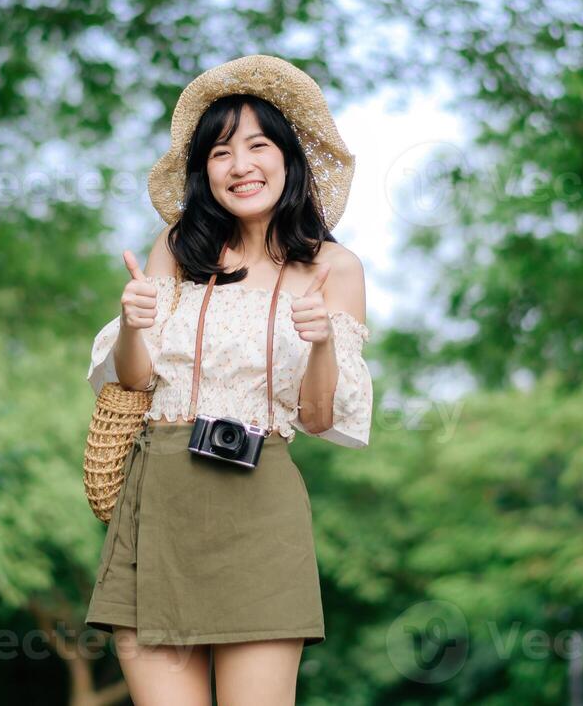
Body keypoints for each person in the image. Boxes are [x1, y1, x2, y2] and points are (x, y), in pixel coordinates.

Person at [83, 54, 374, 705]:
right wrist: (133, 322)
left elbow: (322, 416)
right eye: (219, 152)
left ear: (289, 157)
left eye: (257, 145)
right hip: (157, 496)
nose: (240, 165)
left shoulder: (335, 268)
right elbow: (135, 379)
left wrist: (320, 342)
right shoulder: (177, 245)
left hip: (259, 504)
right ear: (203, 171)